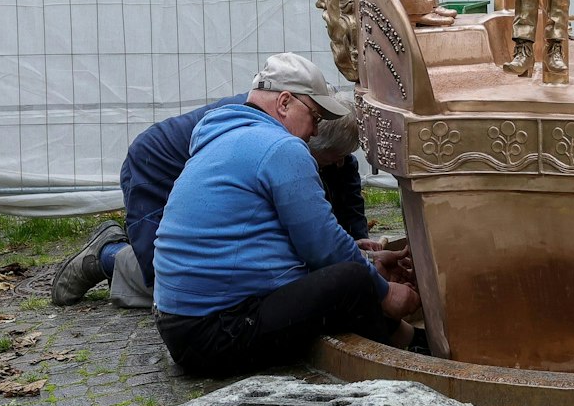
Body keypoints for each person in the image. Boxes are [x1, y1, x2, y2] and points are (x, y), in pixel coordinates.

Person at [150, 53, 419, 377]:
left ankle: (406, 340)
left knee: (354, 272)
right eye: (316, 117)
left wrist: (363, 254)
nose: (313, 131)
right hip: (215, 334)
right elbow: (324, 247)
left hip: (178, 325)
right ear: (285, 103)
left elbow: (278, 243)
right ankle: (401, 367)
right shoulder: (281, 147)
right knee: (353, 279)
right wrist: (386, 293)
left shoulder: (224, 135)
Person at [50, 56, 372, 310]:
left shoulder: (313, 120)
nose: (341, 164)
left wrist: (359, 245)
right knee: (171, 279)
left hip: (198, 165)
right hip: (155, 168)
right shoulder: (267, 134)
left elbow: (342, 181)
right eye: (333, 158)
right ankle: (106, 255)